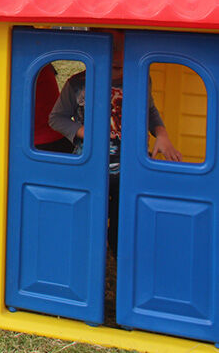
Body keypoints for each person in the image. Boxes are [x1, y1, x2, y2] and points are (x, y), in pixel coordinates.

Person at [48, 30, 182, 250]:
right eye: (109, 45)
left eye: (121, 45)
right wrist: (84, 131)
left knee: (125, 225)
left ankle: (120, 255)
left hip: (132, 169)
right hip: (90, 168)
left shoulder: (140, 78)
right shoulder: (77, 83)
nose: (116, 53)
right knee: (90, 222)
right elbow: (57, 118)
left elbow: (150, 110)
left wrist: (162, 134)